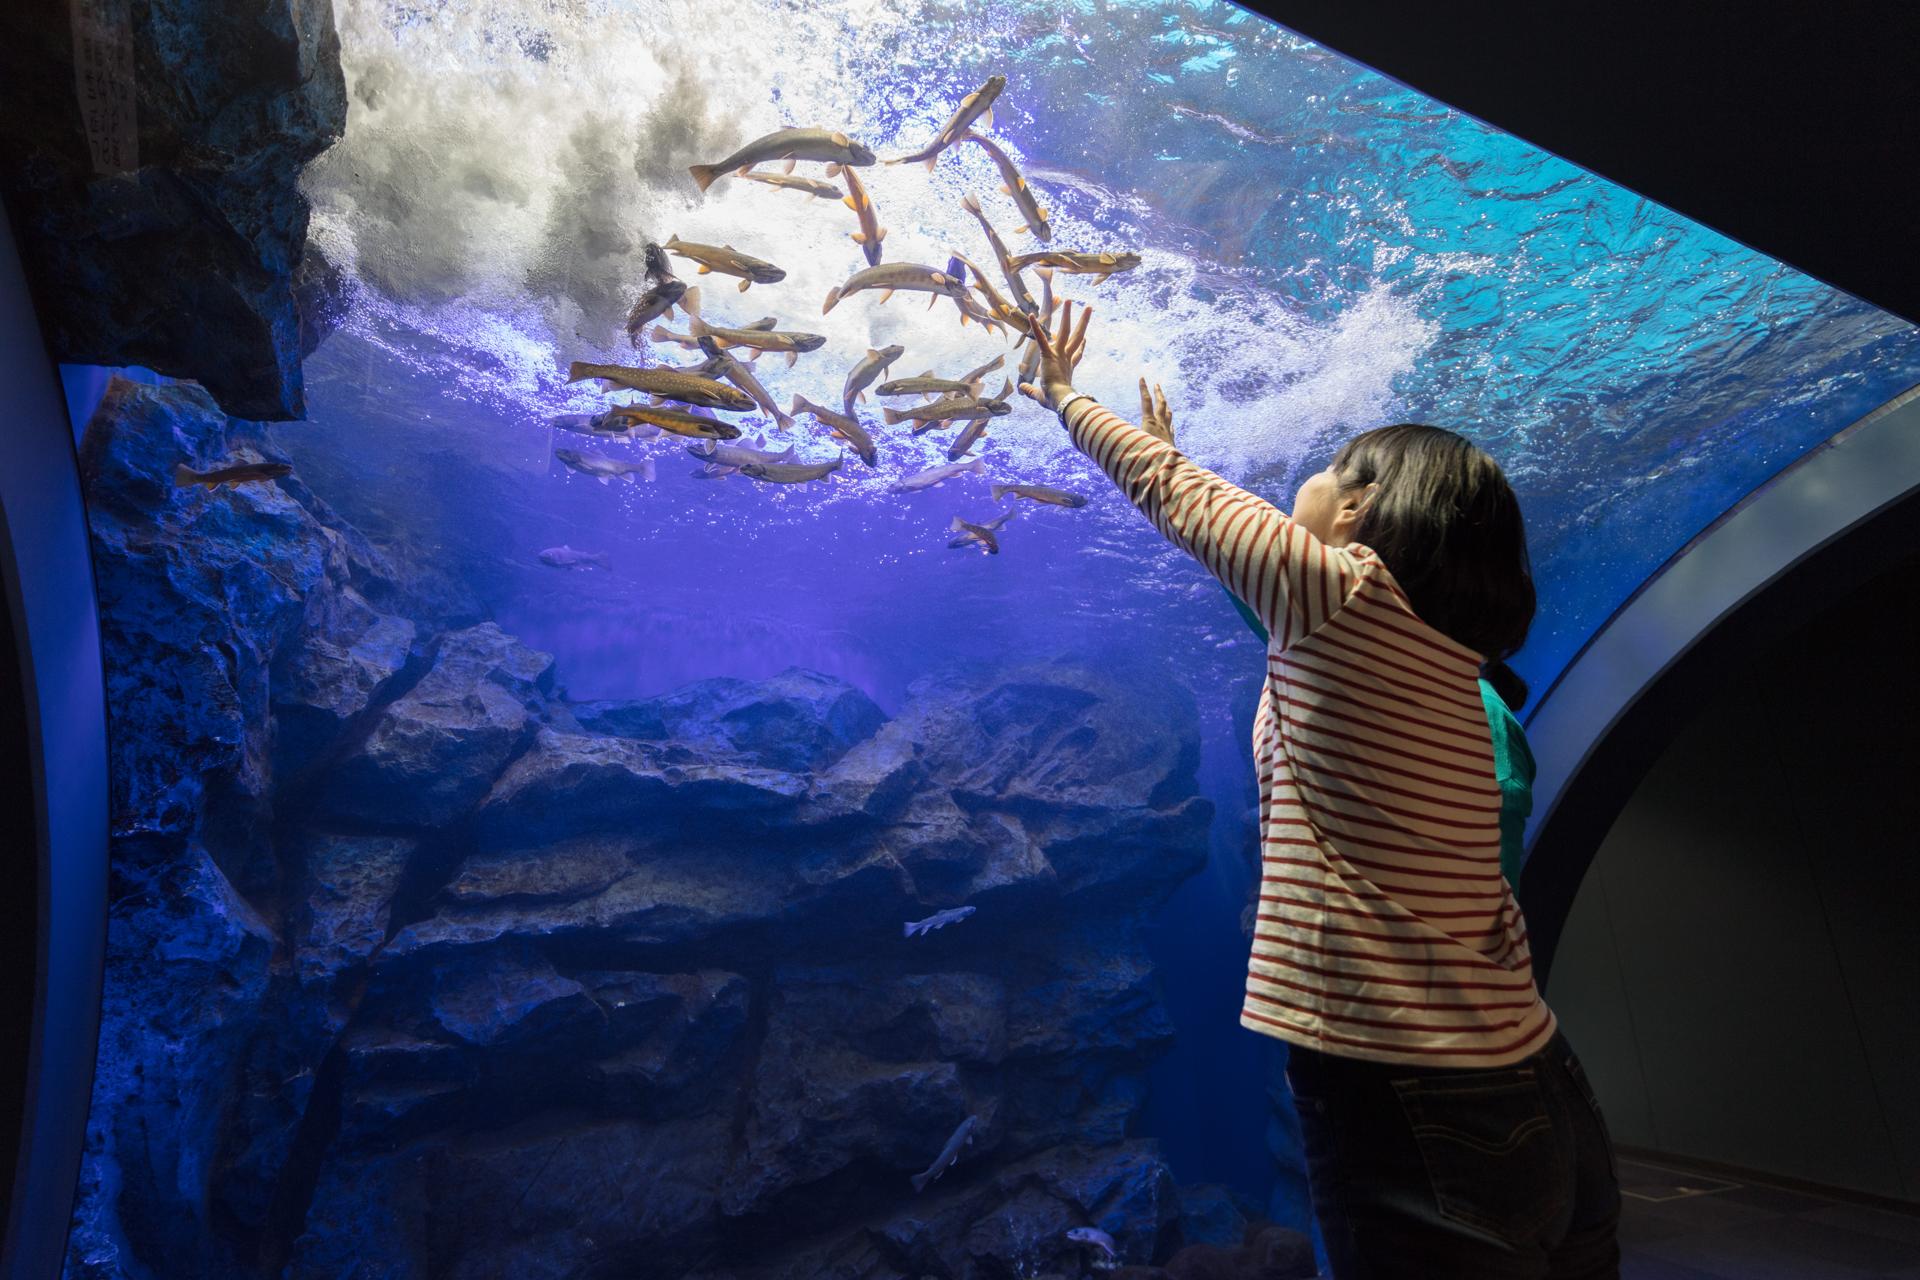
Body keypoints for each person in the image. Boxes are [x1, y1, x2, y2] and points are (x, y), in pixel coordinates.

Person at [1018, 302, 1621, 1279]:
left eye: (1329, 465)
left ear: (1358, 513)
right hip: (1539, 1081)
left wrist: (1065, 396)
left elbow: (1175, 494)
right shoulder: (1448, 668)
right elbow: (1247, 579)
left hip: (1412, 1094)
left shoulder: (1341, 595)